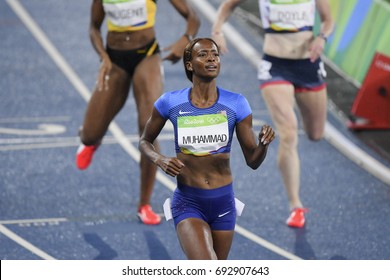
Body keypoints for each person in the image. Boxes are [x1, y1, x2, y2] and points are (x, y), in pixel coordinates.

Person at [139, 38, 275, 259]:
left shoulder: (236, 104)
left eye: (215, 54)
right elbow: (144, 141)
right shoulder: (170, 103)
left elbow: (253, 161)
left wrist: (263, 145)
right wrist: (160, 159)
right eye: (203, 54)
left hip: (224, 203)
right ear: (190, 64)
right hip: (188, 202)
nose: (211, 58)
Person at [75, 0, 200, 225]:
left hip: (147, 56)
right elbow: (94, 27)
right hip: (115, 60)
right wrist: (103, 56)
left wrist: (187, 39)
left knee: (147, 128)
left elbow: (193, 17)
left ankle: (144, 204)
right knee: (90, 134)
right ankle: (91, 141)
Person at [212, 0, 334, 228]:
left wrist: (321, 38)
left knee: (316, 133)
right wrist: (217, 30)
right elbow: (228, 5)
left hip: (308, 64)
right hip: (275, 66)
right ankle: (295, 205)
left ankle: (296, 204)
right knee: (288, 132)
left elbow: (328, 20)